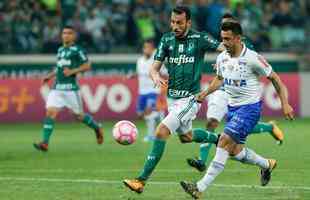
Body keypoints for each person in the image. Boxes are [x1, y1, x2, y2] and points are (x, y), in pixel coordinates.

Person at [180, 21, 294, 199]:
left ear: (238, 38)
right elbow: (219, 78)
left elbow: (275, 78)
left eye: (228, 39)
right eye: (222, 38)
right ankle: (266, 164)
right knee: (235, 152)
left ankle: (199, 188)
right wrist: (205, 92)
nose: (224, 42)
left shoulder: (252, 58)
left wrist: (285, 103)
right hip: (233, 108)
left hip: (250, 109)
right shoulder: (222, 57)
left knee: (223, 141)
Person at [123, 5, 223, 193]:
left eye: (179, 22)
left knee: (161, 132)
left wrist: (224, 61)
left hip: (190, 99)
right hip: (173, 99)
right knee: (187, 137)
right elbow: (154, 68)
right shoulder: (167, 39)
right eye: (172, 22)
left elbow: (223, 48)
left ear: (188, 22)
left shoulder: (199, 38)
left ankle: (141, 181)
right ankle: (219, 139)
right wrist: (155, 76)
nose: (175, 26)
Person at [33, 25, 103, 152]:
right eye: (64, 33)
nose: (66, 35)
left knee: (79, 117)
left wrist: (73, 71)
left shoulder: (77, 50)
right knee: (50, 112)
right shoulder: (60, 50)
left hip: (71, 89)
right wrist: (49, 76)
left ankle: (97, 127)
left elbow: (87, 65)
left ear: (74, 36)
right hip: (56, 88)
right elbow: (59, 67)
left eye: (69, 33)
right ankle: (45, 143)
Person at [134, 39, 162, 142]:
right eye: (145, 47)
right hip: (142, 92)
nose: (147, 49)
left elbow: (164, 73)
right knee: (140, 114)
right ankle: (160, 114)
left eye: (149, 48)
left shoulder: (157, 61)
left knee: (149, 112)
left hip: (153, 90)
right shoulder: (140, 61)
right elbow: (140, 73)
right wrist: (133, 75)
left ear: (153, 49)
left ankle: (151, 136)